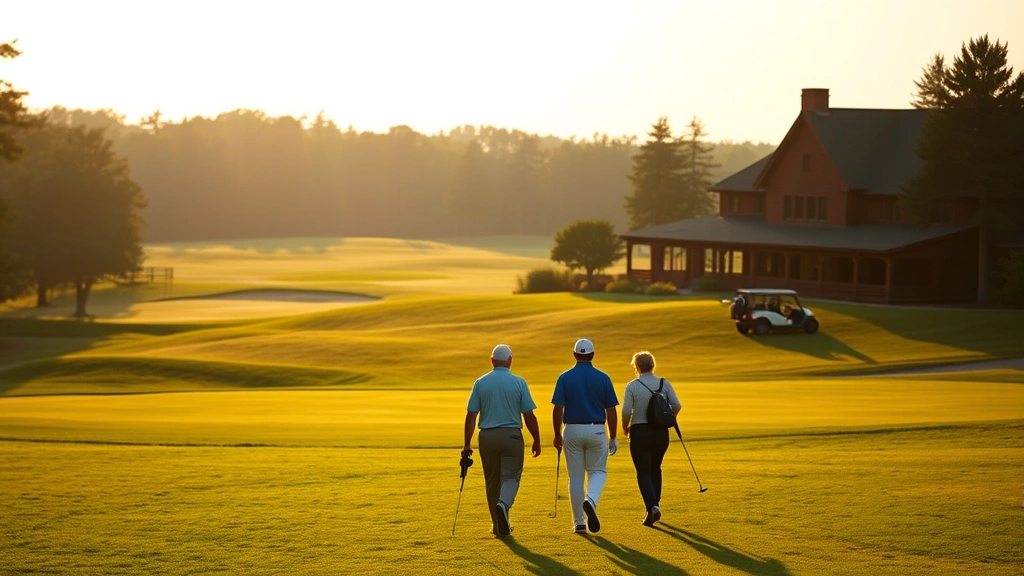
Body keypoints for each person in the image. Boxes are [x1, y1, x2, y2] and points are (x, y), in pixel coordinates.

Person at [463, 344, 541, 538]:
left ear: (492, 361)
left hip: (487, 437)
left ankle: (498, 527)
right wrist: (536, 439)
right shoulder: (519, 382)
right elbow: (529, 415)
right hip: (512, 436)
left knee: (492, 480)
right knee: (511, 476)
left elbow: (471, 416)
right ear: (510, 360)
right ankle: (503, 505)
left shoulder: (480, 382)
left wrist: (466, 444)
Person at [551, 338, 619, 534]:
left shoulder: (565, 377)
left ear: (574, 355)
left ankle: (579, 523)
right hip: (597, 429)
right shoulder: (603, 377)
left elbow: (558, 409)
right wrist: (613, 436)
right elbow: (611, 410)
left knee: (575, 478)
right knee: (598, 471)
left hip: (571, 429)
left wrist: (557, 434)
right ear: (592, 355)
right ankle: (591, 501)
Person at [621, 351, 682, 527]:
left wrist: (626, 426)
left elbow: (626, 412)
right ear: (653, 365)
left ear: (637, 367)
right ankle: (654, 508)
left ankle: (652, 507)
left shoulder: (632, 386)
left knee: (643, 471)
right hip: (661, 432)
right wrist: (667, 417)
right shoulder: (664, 383)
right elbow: (677, 405)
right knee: (656, 468)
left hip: (640, 431)